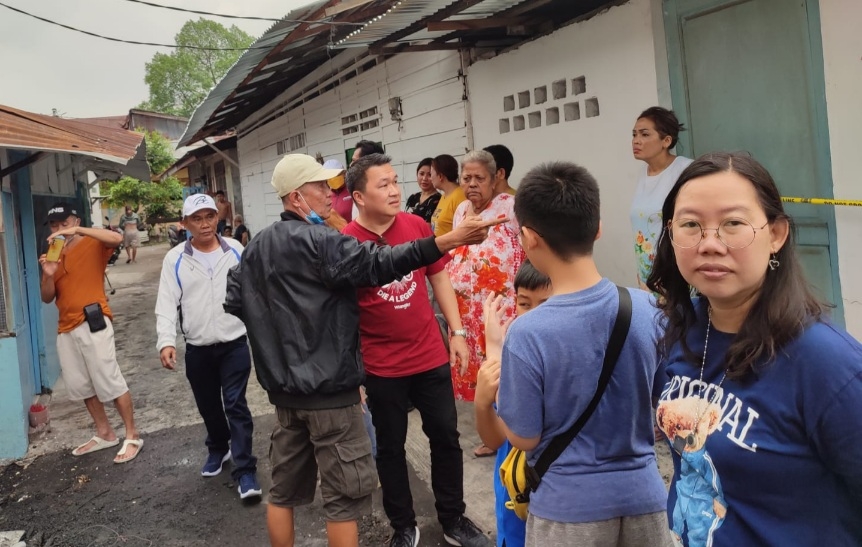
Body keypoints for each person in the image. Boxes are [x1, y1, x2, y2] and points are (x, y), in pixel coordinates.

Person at [223, 153, 504, 547]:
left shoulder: (255, 248)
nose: (327, 194)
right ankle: (403, 525)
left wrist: (285, 334)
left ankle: (453, 516)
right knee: (346, 495)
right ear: (296, 197)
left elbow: (237, 302)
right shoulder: (331, 242)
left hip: (289, 392)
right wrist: (447, 240)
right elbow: (382, 264)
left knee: (284, 492)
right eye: (320, 187)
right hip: (342, 384)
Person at [647, 152, 862, 546]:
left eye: (733, 224)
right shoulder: (683, 331)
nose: (710, 244)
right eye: (691, 225)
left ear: (776, 234)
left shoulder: (825, 363)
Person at [498, 162, 670, 547]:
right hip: (646, 499)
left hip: (567, 511)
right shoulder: (649, 310)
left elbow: (524, 438)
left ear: (528, 238)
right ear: (597, 228)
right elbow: (662, 412)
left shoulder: (526, 333)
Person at [343, 154, 491, 547]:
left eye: (395, 182)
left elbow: (438, 276)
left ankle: (454, 519)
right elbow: (342, 315)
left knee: (445, 436)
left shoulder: (416, 225)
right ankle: (403, 526)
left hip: (428, 356)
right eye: (383, 185)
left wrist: (456, 332)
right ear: (358, 196)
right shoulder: (346, 245)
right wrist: (354, 373)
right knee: (390, 449)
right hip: (381, 367)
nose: (394, 191)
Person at [155, 194, 261, 501]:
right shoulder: (175, 259)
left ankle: (245, 470)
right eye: (197, 219)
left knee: (235, 404)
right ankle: (218, 446)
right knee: (209, 406)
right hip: (198, 348)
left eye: (209, 217)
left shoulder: (237, 250)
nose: (204, 224)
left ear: (218, 218)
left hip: (234, 344)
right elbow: (166, 303)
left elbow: (254, 293)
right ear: (185, 223)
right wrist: (165, 341)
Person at [38, 202, 143, 464]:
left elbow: (117, 237)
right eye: (54, 225)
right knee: (81, 384)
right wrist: (48, 274)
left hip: (93, 320)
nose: (59, 229)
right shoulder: (53, 253)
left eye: (65, 223)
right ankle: (105, 432)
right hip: (65, 326)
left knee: (109, 378)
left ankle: (132, 434)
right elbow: (46, 297)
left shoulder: (91, 242)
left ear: (76, 220)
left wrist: (79, 231)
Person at [475, 261, 552, 547]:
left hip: (547, 501)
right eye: (524, 304)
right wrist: (482, 404)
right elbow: (495, 439)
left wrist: (495, 352)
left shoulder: (567, 357)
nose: (532, 315)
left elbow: (519, 426)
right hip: (513, 496)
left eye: (545, 303)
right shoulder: (514, 353)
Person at [447, 151, 524, 405]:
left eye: (479, 178)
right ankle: (487, 427)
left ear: (494, 179)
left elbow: (530, 249)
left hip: (499, 310)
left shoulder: (511, 207)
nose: (472, 184)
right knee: (475, 375)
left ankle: (504, 431)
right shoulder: (461, 210)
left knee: (502, 370)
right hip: (466, 313)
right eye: (466, 178)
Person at [630, 106, 692, 289]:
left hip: (677, 275)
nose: (636, 141)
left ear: (666, 141)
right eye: (634, 135)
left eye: (644, 134)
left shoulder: (685, 170)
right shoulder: (644, 174)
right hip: (647, 277)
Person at [429, 154, 466, 237]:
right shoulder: (444, 196)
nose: (430, 178)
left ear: (440, 176)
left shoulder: (460, 197)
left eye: (431, 174)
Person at [404, 158, 441, 225]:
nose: (424, 178)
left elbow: (429, 228)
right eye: (421, 174)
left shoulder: (437, 200)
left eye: (429, 175)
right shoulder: (413, 197)